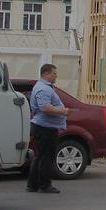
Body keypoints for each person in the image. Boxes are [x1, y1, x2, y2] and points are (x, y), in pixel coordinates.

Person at [28, 63, 71, 194]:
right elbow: (45, 108)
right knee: (46, 157)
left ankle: (33, 184)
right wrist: (63, 111)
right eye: (54, 73)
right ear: (46, 74)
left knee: (40, 156)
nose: (56, 76)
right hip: (45, 128)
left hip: (43, 126)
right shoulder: (44, 89)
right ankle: (45, 185)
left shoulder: (44, 87)